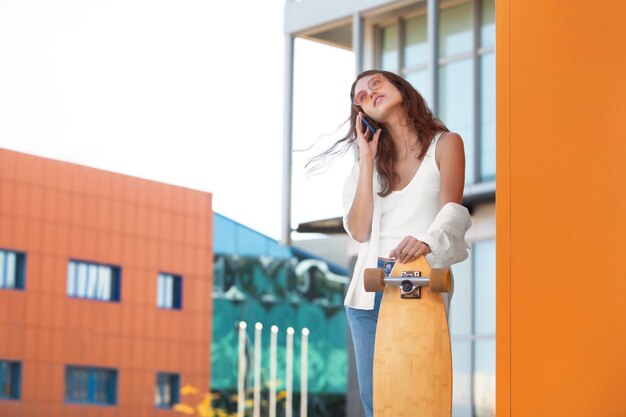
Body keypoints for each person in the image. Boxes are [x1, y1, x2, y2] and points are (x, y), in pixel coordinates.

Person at [308, 70, 471, 417]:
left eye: (376, 83)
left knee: (421, 398)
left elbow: (453, 212)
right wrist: (366, 160)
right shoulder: (367, 161)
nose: (369, 93)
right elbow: (359, 229)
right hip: (368, 289)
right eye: (360, 97)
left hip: (420, 281)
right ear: (362, 114)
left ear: (400, 86)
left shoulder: (446, 144)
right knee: (379, 406)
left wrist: (426, 240)